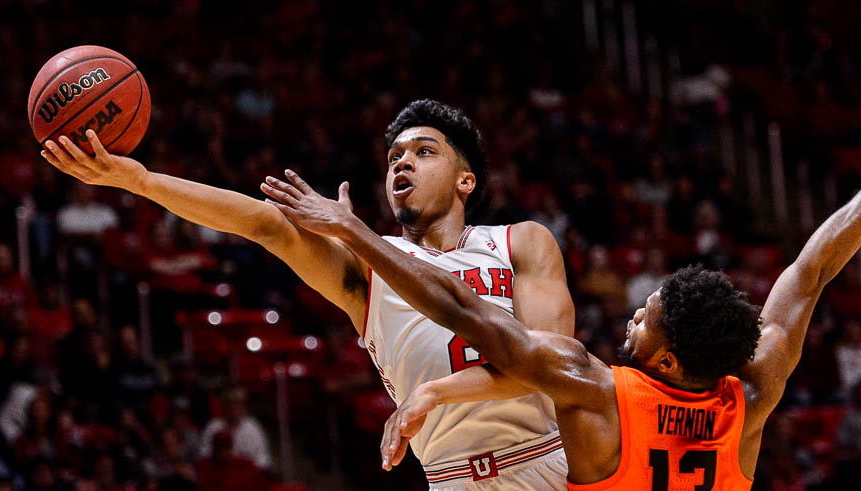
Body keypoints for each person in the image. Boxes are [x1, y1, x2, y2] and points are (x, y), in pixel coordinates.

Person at [262, 77, 861, 488]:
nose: (632, 315)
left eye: (645, 316)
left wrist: (354, 234)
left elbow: (459, 308)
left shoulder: (597, 391)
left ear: (665, 359)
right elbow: (811, 272)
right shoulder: (756, 389)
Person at [42, 99, 575, 488]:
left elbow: (550, 367)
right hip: (451, 478)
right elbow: (264, 224)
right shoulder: (368, 269)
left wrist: (435, 392)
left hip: (547, 461)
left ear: (466, 181)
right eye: (393, 157)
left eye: (423, 151)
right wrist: (139, 180)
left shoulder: (519, 242)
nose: (401, 163)